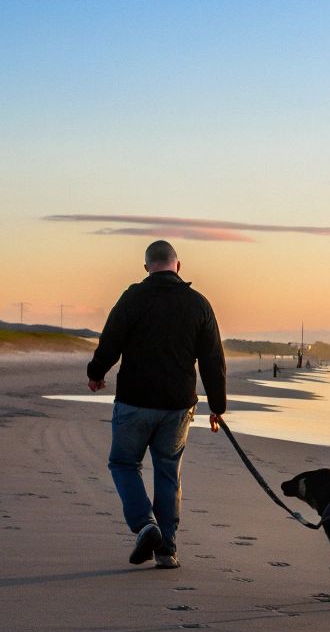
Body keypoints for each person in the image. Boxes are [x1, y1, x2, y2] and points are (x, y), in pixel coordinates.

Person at [86, 240, 227, 569]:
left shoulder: (132, 297)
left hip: (134, 400)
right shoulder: (198, 304)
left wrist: (96, 373)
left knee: (124, 464)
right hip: (177, 406)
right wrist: (217, 405)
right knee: (167, 472)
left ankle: (145, 525)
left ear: (147, 265)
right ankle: (167, 549)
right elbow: (213, 360)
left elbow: (111, 340)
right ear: (178, 266)